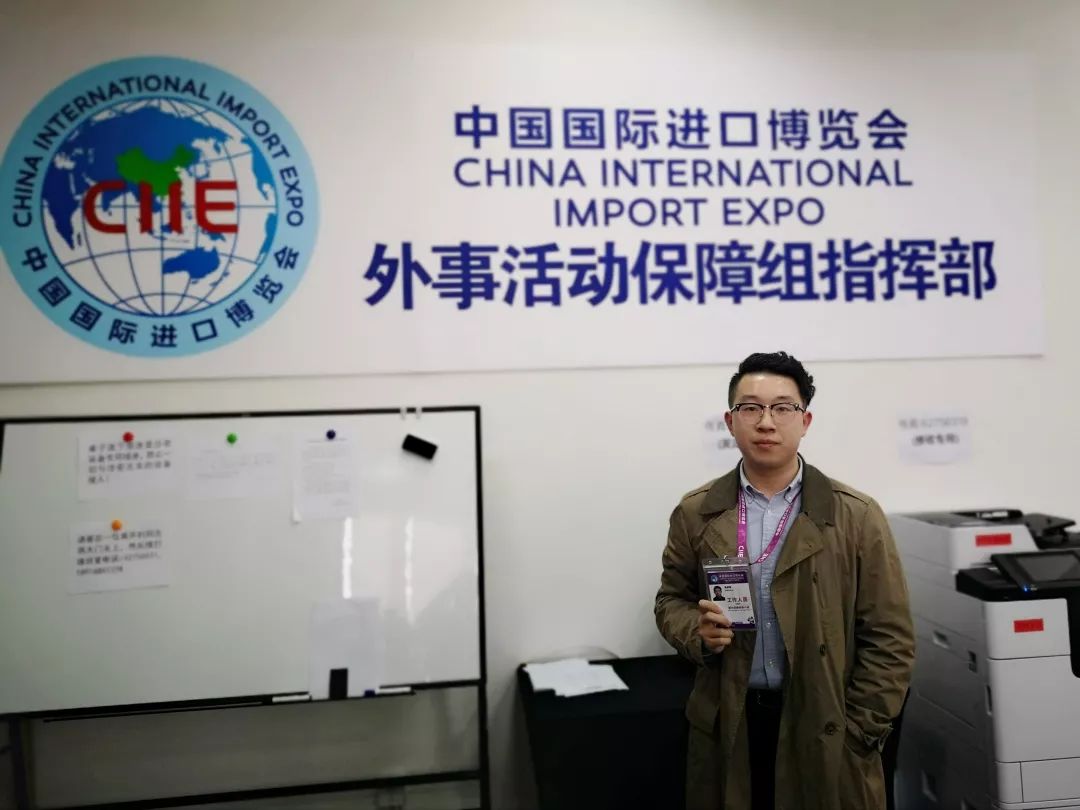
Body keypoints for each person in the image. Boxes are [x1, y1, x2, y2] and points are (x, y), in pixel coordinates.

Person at [654, 351, 914, 810]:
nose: (766, 422)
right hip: (730, 721)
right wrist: (696, 631)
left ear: (805, 420)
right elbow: (671, 600)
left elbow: (890, 636)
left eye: (782, 408)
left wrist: (860, 729)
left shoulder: (856, 515)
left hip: (826, 723)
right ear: (730, 421)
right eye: (750, 408)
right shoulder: (697, 511)